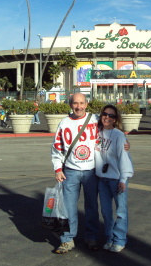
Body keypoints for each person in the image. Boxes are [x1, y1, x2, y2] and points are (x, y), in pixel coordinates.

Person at [50, 93, 130, 254]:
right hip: (70, 172)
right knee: (68, 207)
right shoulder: (64, 123)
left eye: (81, 103)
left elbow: (112, 130)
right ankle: (67, 239)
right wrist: (58, 168)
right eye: (75, 103)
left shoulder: (95, 119)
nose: (78, 107)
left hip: (92, 171)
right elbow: (57, 147)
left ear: (86, 104)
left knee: (92, 207)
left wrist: (126, 142)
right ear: (70, 104)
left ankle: (91, 237)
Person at [95, 104, 133, 253]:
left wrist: (123, 179)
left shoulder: (119, 135)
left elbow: (124, 158)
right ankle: (110, 237)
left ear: (116, 119)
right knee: (105, 211)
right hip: (102, 178)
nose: (107, 117)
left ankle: (120, 239)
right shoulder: (96, 132)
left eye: (111, 115)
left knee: (121, 211)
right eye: (105, 114)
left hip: (116, 178)